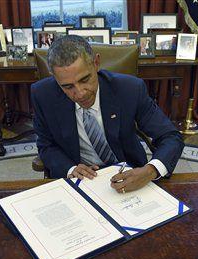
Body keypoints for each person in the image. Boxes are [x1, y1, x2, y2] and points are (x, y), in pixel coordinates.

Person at [31, 35, 184, 193]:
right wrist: (70, 169)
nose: (80, 93)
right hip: (80, 182)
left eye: (85, 79)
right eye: (68, 86)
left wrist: (151, 170)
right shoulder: (43, 95)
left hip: (129, 174)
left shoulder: (130, 89)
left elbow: (171, 137)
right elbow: (46, 146)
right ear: (55, 79)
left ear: (96, 63)